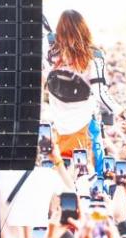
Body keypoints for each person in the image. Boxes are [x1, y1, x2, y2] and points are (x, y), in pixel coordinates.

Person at [43, 9, 116, 168]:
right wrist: (120, 110)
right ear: (84, 29)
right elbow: (100, 93)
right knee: (91, 176)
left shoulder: (48, 54)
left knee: (62, 177)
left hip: (59, 127)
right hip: (85, 126)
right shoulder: (94, 56)